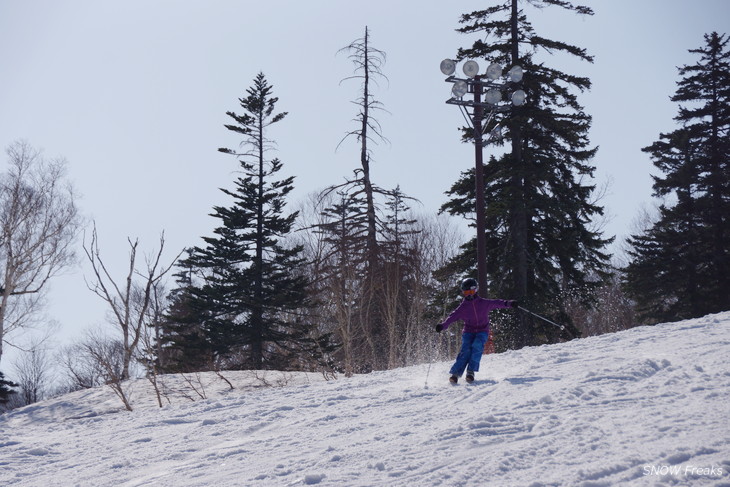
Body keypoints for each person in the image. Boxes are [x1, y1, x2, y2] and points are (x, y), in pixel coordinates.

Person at [435, 277, 518, 384]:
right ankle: (455, 374)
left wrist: (509, 303)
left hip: (482, 330)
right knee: (466, 350)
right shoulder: (463, 307)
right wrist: (443, 326)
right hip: (468, 331)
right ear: (463, 293)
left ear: (476, 290)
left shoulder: (483, 303)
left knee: (477, 346)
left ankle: (470, 372)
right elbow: (452, 316)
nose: (469, 294)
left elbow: (497, 303)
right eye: (466, 292)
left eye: (471, 291)